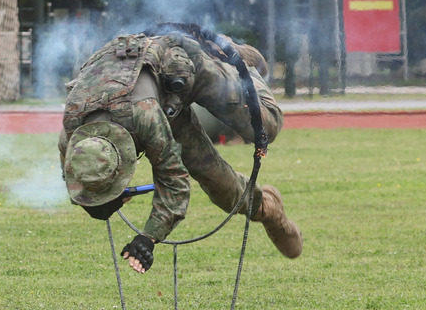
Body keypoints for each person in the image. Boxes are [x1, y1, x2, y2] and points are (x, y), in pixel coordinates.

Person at [59, 23, 302, 273]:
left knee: (266, 126)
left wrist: (148, 238)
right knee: (221, 187)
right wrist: (98, 206)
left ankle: (234, 59)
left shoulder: (145, 119)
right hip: (161, 100)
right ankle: (268, 207)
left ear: (122, 160)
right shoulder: (73, 133)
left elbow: (174, 182)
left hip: (185, 65)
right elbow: (76, 181)